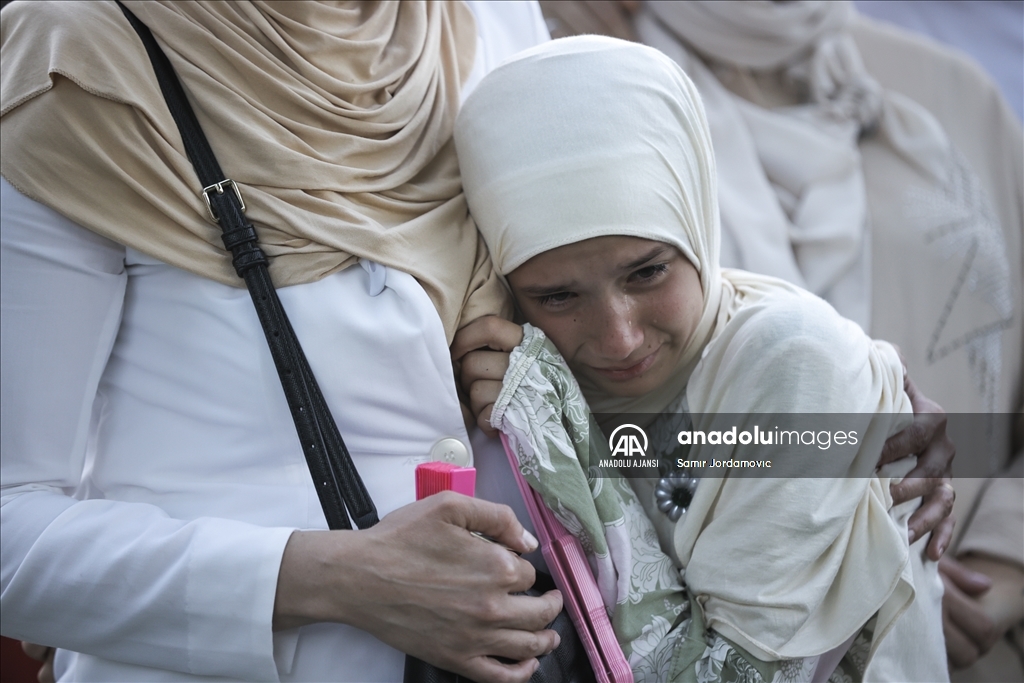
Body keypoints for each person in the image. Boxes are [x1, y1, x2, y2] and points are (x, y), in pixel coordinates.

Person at [0, 2, 562, 682]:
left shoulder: (491, 22)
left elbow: (641, 325)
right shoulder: (79, 54)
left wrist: (550, 381)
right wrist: (333, 578)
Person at [451, 35, 950, 683]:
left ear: (695, 219)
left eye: (648, 272)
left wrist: (558, 443)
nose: (619, 338)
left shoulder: (793, 363)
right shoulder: (524, 364)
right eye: (558, 294)